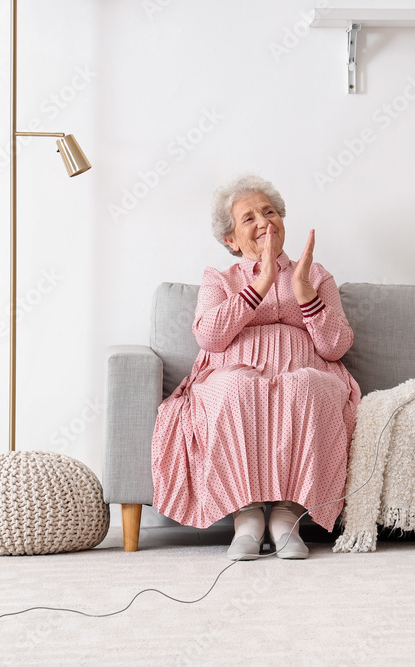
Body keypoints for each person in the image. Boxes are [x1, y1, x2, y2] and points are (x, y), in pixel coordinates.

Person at [151, 175, 361, 561]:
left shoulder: (315, 275)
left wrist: (304, 293)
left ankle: (287, 515)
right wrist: (260, 284)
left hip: (307, 369)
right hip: (232, 372)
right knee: (235, 389)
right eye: (249, 218)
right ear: (231, 240)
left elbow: (336, 347)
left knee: (308, 386)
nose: (264, 222)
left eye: (269, 212)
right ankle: (246, 518)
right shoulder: (218, 279)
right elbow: (210, 337)